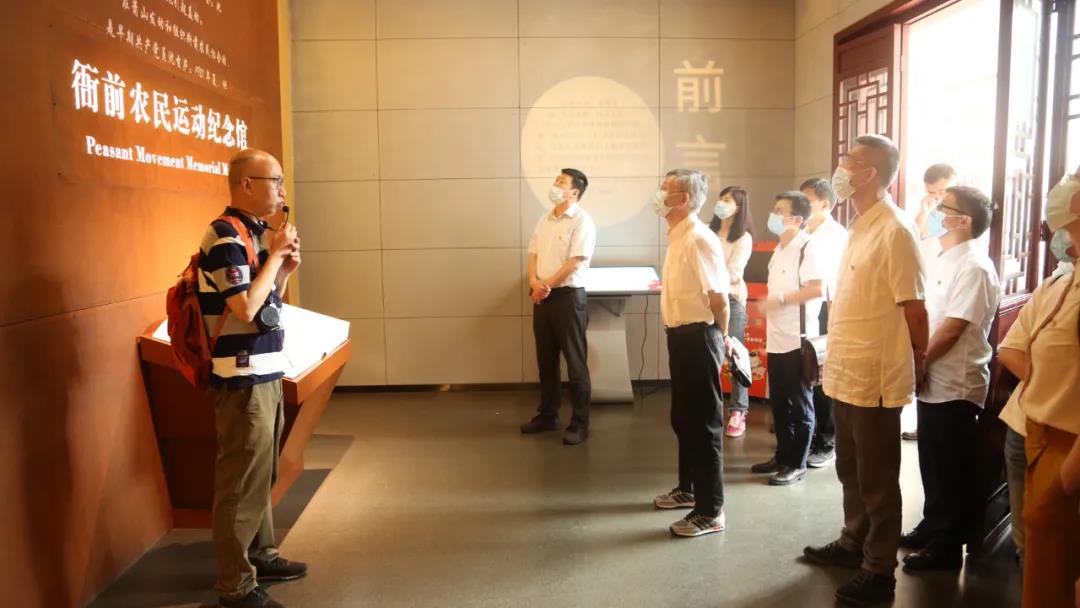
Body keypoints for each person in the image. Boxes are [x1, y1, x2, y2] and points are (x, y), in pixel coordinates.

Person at [801, 135, 928, 607]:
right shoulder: (860, 225)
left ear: (870, 172)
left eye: (849, 160)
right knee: (849, 468)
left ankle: (879, 571)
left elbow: (915, 307)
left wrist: (920, 361)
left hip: (875, 374)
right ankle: (852, 542)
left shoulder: (895, 229)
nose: (841, 166)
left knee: (877, 479)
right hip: (847, 370)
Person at [200, 149, 306, 608]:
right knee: (241, 481)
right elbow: (242, 308)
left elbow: (265, 304)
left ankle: (261, 554)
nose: (281, 191)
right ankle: (235, 584)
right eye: (274, 181)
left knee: (262, 472)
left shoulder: (254, 233)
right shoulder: (224, 235)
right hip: (241, 377)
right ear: (246, 184)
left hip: (264, 368)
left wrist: (282, 270)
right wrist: (275, 256)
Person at [900, 187, 1000, 571]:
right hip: (934, 379)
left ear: (964, 220)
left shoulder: (974, 266)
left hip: (956, 382)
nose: (936, 212)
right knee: (931, 459)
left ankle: (946, 544)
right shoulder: (944, 259)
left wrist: (921, 361)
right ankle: (932, 523)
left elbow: (953, 327)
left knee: (951, 465)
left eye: (944, 207)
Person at [997, 169, 1080, 608]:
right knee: (1039, 559)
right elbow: (1011, 350)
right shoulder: (1061, 280)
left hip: (1068, 445)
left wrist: (1065, 476)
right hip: (1035, 430)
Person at [650, 169, 733, 538]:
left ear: (682, 199)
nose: (657, 195)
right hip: (682, 337)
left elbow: (719, 299)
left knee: (704, 425)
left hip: (700, 337)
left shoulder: (699, 238)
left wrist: (722, 338)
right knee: (684, 419)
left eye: (664, 189)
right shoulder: (678, 236)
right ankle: (688, 489)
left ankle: (711, 511)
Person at [750, 191, 823, 486]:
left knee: (800, 404)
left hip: (797, 338)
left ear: (796, 219)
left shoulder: (807, 247)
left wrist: (780, 300)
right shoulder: (779, 248)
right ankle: (782, 455)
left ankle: (797, 462)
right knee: (779, 402)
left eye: (780, 211)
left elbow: (816, 288)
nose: (774, 215)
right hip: (776, 337)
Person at [520, 169, 597, 446]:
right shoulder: (545, 218)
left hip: (568, 297)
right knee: (546, 359)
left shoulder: (582, 221)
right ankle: (548, 415)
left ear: (574, 192)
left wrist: (545, 285)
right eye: (556, 180)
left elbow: (575, 262)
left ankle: (579, 423)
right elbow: (533, 253)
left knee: (575, 363)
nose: (555, 184)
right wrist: (534, 282)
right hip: (542, 296)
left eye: (561, 182)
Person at [801, 177, 849, 468]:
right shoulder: (805, 230)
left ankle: (827, 441)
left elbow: (830, 279)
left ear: (825, 204)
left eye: (807, 201)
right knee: (807, 374)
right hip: (804, 311)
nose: (802, 206)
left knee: (822, 376)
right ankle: (809, 436)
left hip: (827, 309)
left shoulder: (835, 234)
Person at [709, 186, 754, 438]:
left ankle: (738, 410)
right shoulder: (709, 232)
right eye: (721, 198)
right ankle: (711, 407)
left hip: (732, 299)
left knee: (735, 354)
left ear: (739, 208)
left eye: (728, 200)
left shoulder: (743, 238)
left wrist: (710, 279)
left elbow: (733, 272)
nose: (722, 203)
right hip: (706, 299)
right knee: (710, 355)